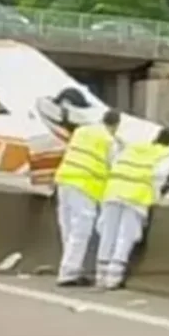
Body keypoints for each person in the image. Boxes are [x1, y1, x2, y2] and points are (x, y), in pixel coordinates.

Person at [95, 126, 169, 291]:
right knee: (126, 236)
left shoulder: (134, 147)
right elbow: (158, 176)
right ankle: (113, 278)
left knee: (108, 233)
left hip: (113, 190)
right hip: (136, 196)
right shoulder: (166, 154)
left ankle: (100, 274)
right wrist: (156, 197)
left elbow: (115, 162)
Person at [53, 109, 121, 287]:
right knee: (81, 230)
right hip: (85, 186)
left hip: (64, 180)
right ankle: (68, 273)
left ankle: (70, 268)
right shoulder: (109, 141)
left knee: (67, 227)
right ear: (115, 126)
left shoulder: (81, 131)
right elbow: (114, 167)